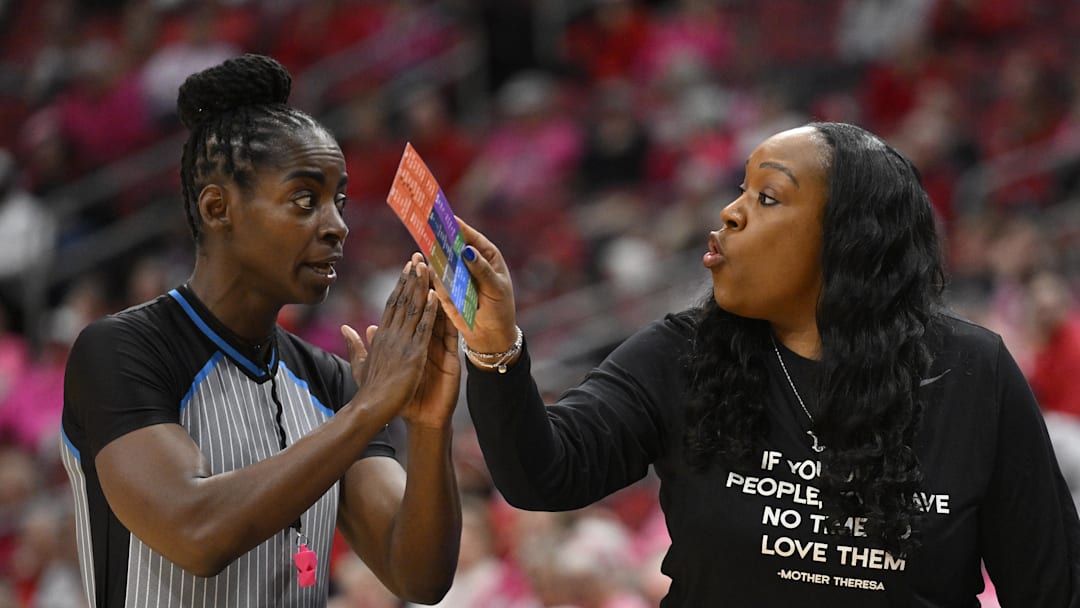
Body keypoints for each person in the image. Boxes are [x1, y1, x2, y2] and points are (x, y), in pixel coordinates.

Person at [434, 122, 1080, 606]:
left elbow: (1051, 588)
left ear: (846, 240)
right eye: (741, 189)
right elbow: (543, 476)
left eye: (769, 198)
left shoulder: (971, 372)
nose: (730, 211)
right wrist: (496, 348)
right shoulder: (683, 353)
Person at [59, 54, 462, 608]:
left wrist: (430, 426)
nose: (337, 224)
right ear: (218, 206)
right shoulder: (121, 349)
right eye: (305, 199)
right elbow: (196, 533)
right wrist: (368, 411)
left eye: (338, 200)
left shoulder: (331, 382)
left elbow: (418, 576)